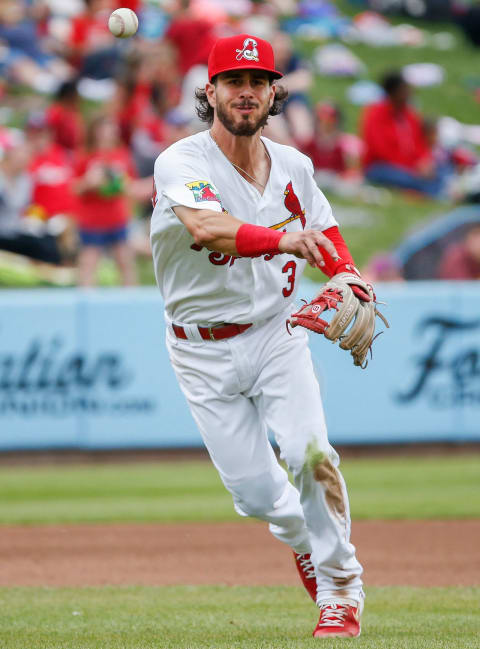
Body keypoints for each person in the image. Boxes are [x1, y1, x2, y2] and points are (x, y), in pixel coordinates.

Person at [151, 33, 366, 639]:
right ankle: (304, 541)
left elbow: (323, 229)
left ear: (274, 92)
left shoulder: (294, 165)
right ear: (210, 92)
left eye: (258, 82)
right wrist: (281, 239)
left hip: (277, 332)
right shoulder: (183, 161)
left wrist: (348, 273)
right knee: (255, 496)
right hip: (199, 347)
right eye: (233, 82)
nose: (246, 93)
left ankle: (340, 589)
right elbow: (207, 225)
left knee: (311, 453)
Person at [361, 70, 451, 198]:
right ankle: (433, 192)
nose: (408, 94)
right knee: (408, 178)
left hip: (412, 167)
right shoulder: (375, 114)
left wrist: (425, 161)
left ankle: (435, 189)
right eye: (404, 90)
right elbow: (380, 150)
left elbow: (420, 144)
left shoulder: (409, 115)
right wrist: (412, 168)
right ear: (393, 92)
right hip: (382, 167)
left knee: (442, 170)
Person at [73, 114, 138, 286]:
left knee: (125, 262)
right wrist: (89, 181)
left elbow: (130, 186)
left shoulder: (122, 155)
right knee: (88, 264)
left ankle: (131, 302)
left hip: (117, 218)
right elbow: (75, 188)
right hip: (92, 221)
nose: (109, 133)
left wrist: (120, 184)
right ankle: (87, 305)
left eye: (112, 128)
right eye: (104, 129)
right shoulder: (85, 156)